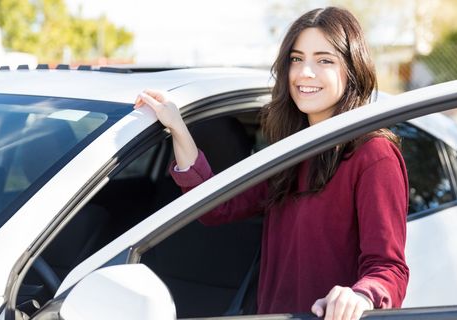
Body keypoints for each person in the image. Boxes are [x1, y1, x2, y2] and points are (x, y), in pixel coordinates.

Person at [134, 6, 409, 320]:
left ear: (352, 69)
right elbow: (216, 207)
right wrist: (178, 128)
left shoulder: (373, 154)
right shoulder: (291, 151)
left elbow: (389, 269)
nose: (305, 72)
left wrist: (360, 296)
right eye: (296, 59)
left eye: (324, 60)